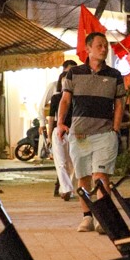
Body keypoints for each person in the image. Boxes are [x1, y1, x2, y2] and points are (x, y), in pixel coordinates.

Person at [57, 32, 126, 232]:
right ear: (88, 49)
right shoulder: (74, 73)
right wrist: (60, 123)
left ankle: (102, 218)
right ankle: (87, 216)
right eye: (99, 46)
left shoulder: (114, 75)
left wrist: (115, 128)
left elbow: (120, 103)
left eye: (106, 46)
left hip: (105, 134)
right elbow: (65, 100)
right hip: (79, 135)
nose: (104, 49)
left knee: (101, 176)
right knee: (84, 176)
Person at [46, 60, 77, 200]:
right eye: (64, 81)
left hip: (74, 132)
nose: (66, 84)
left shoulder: (77, 99)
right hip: (58, 133)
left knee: (74, 163)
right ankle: (66, 189)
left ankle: (69, 188)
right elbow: (51, 118)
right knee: (60, 162)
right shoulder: (56, 97)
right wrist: (48, 136)